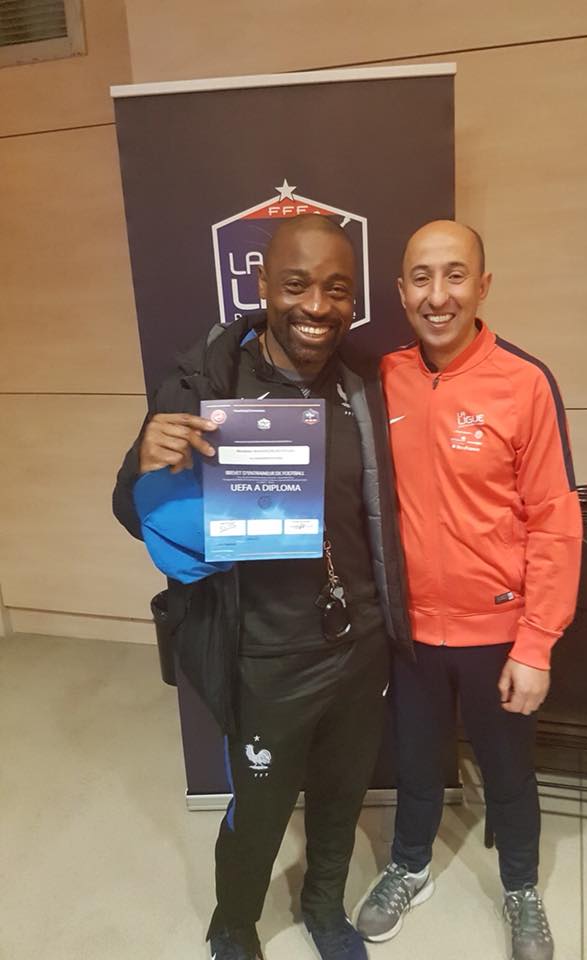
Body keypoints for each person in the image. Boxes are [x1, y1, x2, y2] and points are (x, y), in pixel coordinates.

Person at [112, 215, 412, 960]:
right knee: (261, 804)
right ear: (261, 285)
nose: (316, 306)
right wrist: (144, 460)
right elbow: (130, 510)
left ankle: (323, 907)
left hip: (358, 644)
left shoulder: (363, 387)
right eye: (297, 284)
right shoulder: (205, 385)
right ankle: (234, 920)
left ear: (353, 300)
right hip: (263, 652)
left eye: (336, 289)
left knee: (342, 793)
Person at [355, 220, 583, 960]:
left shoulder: (524, 383)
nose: (438, 295)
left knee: (509, 773)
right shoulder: (382, 379)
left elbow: (555, 520)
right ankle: (409, 866)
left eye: (455, 275)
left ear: (482, 286)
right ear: (401, 291)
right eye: (421, 278)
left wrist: (537, 644)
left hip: (499, 633)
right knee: (417, 763)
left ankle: (521, 887)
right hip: (411, 631)